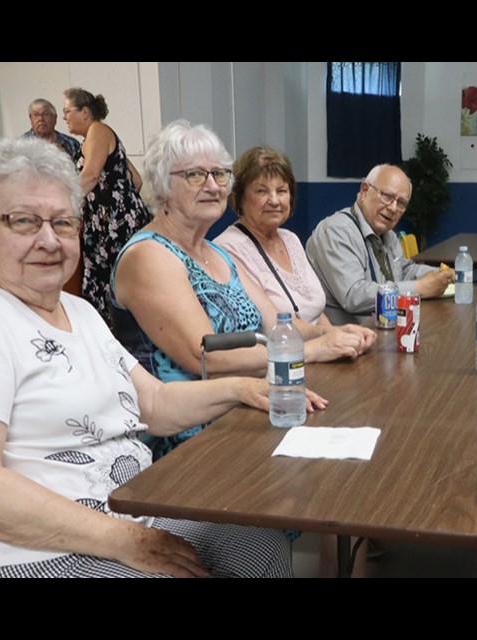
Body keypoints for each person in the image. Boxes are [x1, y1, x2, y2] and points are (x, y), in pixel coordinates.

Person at [0, 137, 295, 578]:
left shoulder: (79, 311)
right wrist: (128, 541)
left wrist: (242, 388)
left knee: (258, 545)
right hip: (14, 550)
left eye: (63, 223)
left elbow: (155, 406)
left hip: (122, 514)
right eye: (24, 222)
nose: (49, 240)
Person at [111, 120, 374, 459]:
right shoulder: (149, 254)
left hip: (246, 411)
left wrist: (338, 334)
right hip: (187, 444)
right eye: (195, 175)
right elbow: (204, 355)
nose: (212, 185)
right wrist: (310, 350)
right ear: (162, 185)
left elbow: (277, 324)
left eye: (220, 174)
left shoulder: (216, 253)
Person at [306, 164, 454, 324]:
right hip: (347, 339)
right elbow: (353, 297)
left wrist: (440, 275)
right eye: (387, 196)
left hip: (383, 329)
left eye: (401, 203)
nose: (393, 208)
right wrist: (420, 288)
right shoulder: (337, 231)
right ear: (364, 191)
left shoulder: (388, 234)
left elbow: (403, 270)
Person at [62, 87, 150, 325]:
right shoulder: (98, 136)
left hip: (109, 223)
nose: (64, 117)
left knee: (113, 284)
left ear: (85, 112)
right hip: (111, 219)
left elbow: (89, 176)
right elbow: (137, 179)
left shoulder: (98, 131)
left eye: (67, 111)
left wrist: (61, 208)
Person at [215, 146, 331, 325]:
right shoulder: (228, 248)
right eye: (262, 191)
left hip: (320, 345)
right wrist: (330, 339)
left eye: (281, 191)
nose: (275, 201)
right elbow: (269, 325)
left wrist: (337, 336)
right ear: (239, 198)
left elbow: (315, 313)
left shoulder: (290, 239)